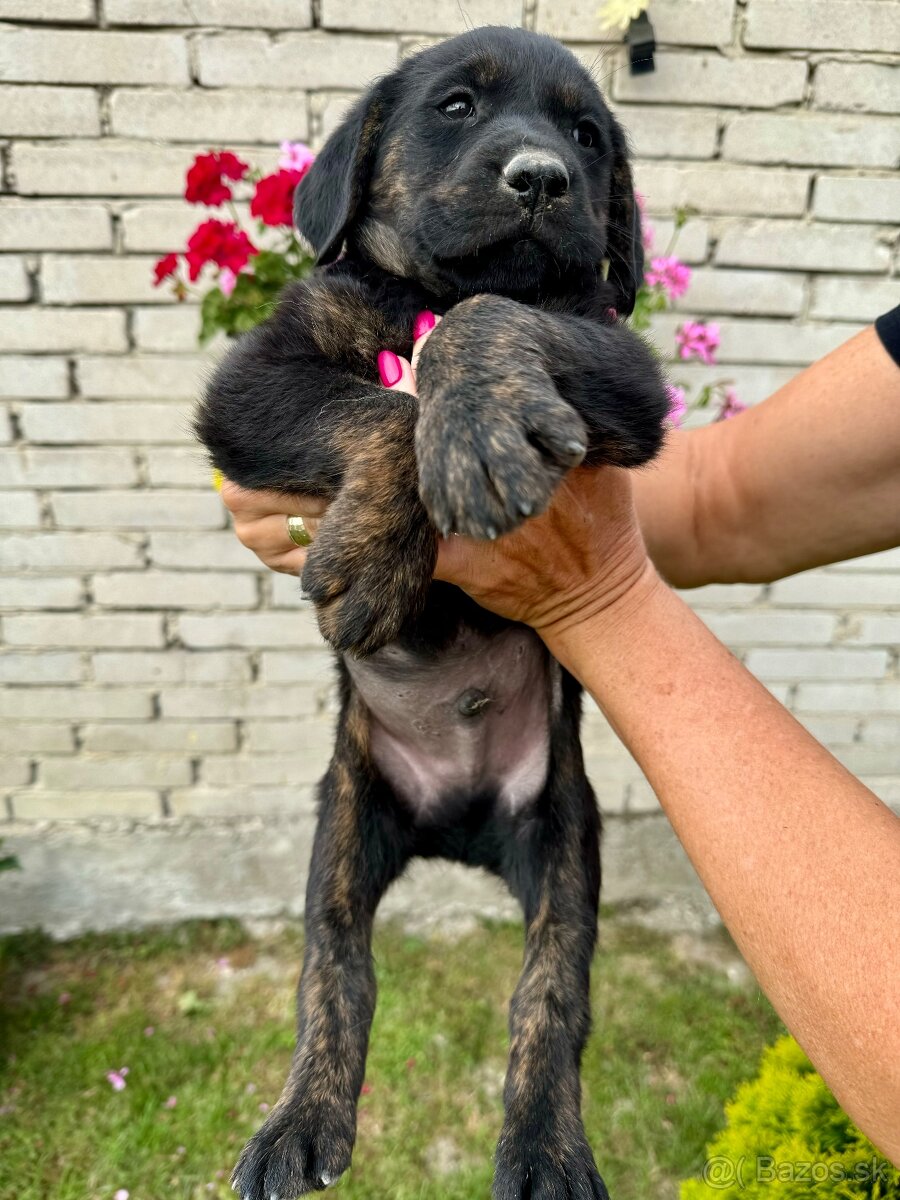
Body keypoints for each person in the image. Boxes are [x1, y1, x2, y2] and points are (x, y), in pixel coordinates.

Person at [219, 308, 900, 1162]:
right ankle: (314, 1095)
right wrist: (393, 442)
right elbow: (719, 490)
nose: (538, 166)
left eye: (590, 160)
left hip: (530, 744)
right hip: (388, 737)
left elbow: (633, 411)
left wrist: (585, 581)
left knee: (561, 922)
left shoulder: (561, 310)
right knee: (336, 915)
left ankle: (546, 1126)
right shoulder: (350, 295)